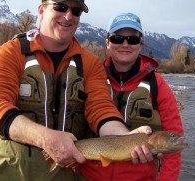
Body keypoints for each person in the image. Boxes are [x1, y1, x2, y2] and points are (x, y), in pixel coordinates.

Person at [0, 0, 155, 181]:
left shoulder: (90, 63)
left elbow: (101, 108)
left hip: (61, 175)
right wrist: (45, 138)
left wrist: (126, 139)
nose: (68, 15)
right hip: (5, 171)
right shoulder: (10, 52)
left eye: (76, 11)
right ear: (42, 10)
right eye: (60, 7)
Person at [77, 12, 184, 181]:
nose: (125, 44)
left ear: (140, 45)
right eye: (118, 39)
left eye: (132, 39)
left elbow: (173, 149)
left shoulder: (158, 85)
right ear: (107, 43)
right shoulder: (90, 77)